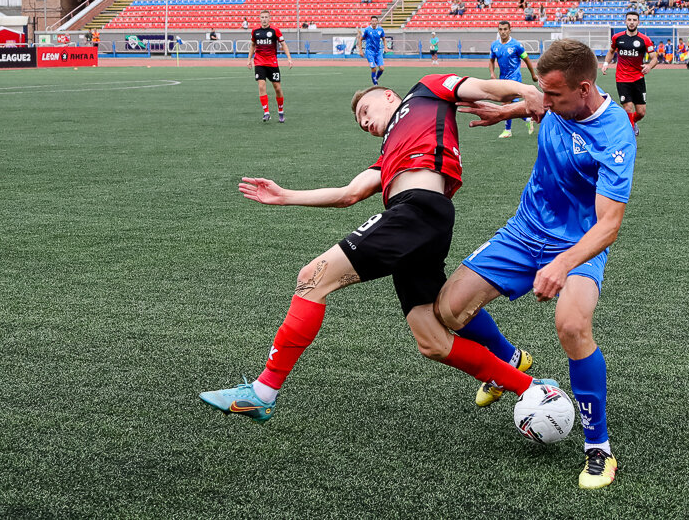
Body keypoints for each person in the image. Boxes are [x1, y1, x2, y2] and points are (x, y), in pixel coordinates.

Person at [200, 73, 555, 424]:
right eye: (360, 122)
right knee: (432, 341)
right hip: (418, 224)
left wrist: (525, 90)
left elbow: (480, 87)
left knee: (312, 277)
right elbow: (348, 194)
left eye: (366, 111)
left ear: (388, 96)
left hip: (417, 211)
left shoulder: (425, 91)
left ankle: (262, 393)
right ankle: (531, 387)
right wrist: (285, 196)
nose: (365, 122)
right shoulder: (389, 152)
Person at [435, 39, 636, 489]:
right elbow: (529, 100)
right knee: (449, 310)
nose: (542, 102)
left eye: (553, 96)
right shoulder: (552, 99)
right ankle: (511, 360)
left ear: (584, 90)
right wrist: (506, 111)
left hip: (580, 240)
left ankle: (598, 448)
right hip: (525, 229)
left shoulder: (616, 135)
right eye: (540, 92)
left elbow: (608, 226)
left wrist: (563, 264)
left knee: (571, 326)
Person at [601, 11, 656, 136]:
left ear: (638, 22)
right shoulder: (617, 38)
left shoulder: (645, 40)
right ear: (625, 21)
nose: (631, 22)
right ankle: (629, 134)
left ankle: (631, 122)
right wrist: (605, 63)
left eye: (634, 20)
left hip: (638, 78)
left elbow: (654, 58)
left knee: (641, 112)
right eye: (629, 20)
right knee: (627, 108)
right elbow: (611, 51)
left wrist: (649, 66)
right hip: (622, 78)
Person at [489, 20, 538, 138]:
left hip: (514, 78)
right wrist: (492, 73)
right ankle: (527, 119)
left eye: (505, 29)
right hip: (502, 79)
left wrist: (533, 75)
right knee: (510, 106)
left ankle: (508, 130)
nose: (503, 32)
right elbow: (491, 60)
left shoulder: (516, 45)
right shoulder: (494, 45)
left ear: (510, 30)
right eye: (500, 29)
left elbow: (526, 59)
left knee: (506, 105)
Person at [248, 10, 292, 122]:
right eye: (262, 17)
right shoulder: (255, 31)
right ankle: (266, 112)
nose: (264, 19)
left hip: (272, 63)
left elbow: (283, 44)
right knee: (261, 86)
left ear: (269, 18)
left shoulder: (275, 30)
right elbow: (253, 45)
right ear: (259, 18)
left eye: (266, 17)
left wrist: (289, 58)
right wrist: (249, 60)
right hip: (259, 62)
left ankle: (280, 111)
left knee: (277, 88)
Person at [357, 16, 386, 85]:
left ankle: (375, 78)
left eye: (375, 21)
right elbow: (360, 39)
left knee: (382, 68)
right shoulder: (367, 30)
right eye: (372, 21)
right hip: (369, 51)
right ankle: (375, 84)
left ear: (377, 22)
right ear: (370, 22)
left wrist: (386, 47)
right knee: (374, 68)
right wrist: (360, 50)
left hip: (378, 51)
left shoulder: (380, 30)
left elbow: (384, 39)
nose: (374, 22)